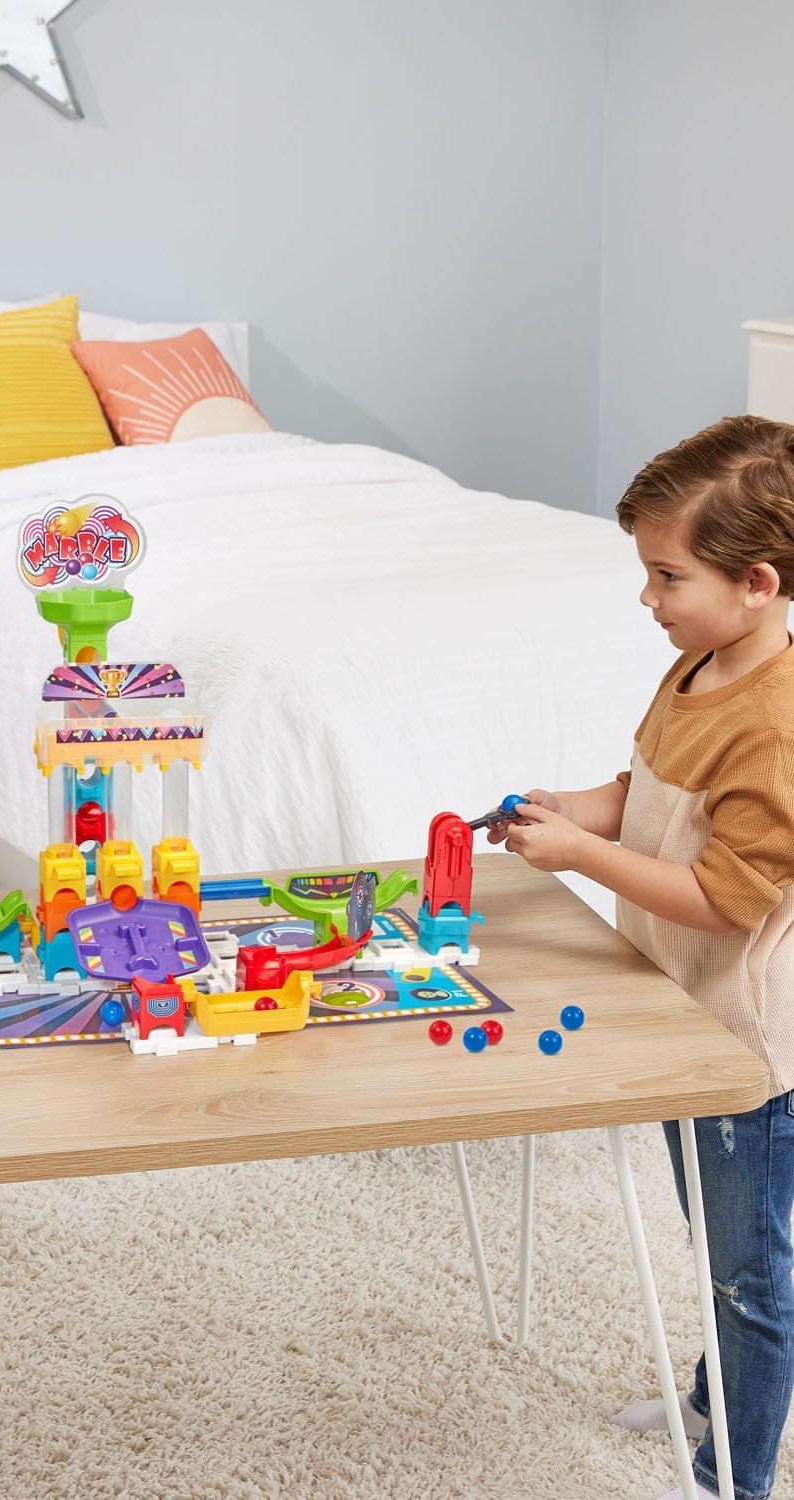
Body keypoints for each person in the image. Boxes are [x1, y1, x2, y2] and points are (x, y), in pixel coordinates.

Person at [491, 413, 794, 1500]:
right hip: (683, 1010)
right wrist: (577, 810)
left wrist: (578, 857)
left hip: (745, 1043)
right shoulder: (699, 664)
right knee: (715, 1241)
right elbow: (649, 794)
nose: (647, 598)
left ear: (757, 582)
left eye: (667, 576)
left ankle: (731, 1477)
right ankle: (717, 1401)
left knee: (752, 1275)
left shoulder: (776, 723)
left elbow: (722, 897)